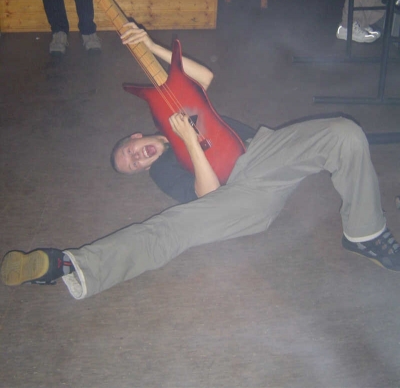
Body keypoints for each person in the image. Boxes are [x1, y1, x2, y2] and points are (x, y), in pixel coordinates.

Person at [2, 23, 400, 299]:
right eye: (134, 166)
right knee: (170, 229)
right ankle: (68, 265)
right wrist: (191, 143)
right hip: (241, 197)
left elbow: (203, 78)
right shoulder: (163, 170)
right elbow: (209, 196)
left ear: (136, 136)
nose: (137, 158)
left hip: (264, 150)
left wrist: (150, 44)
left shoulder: (166, 111)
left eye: (130, 152)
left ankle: (363, 234)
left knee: (345, 133)